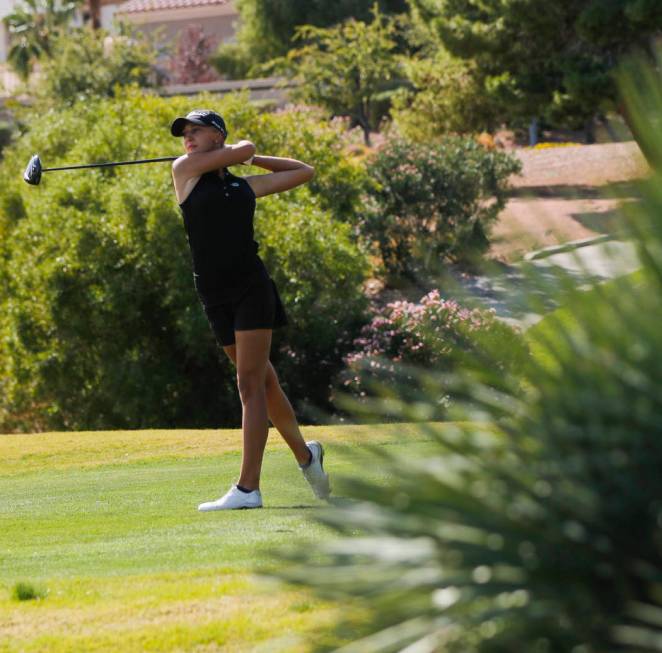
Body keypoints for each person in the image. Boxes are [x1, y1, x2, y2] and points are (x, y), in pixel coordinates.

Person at [170, 109, 330, 511]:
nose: (187, 138)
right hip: (213, 294)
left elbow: (303, 171)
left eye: (196, 131)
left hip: (251, 289)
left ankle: (247, 489)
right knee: (265, 383)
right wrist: (241, 150)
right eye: (184, 133)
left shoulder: (244, 187)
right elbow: (237, 149)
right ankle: (307, 457)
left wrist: (250, 158)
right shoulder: (184, 173)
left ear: (217, 135)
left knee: (249, 384)